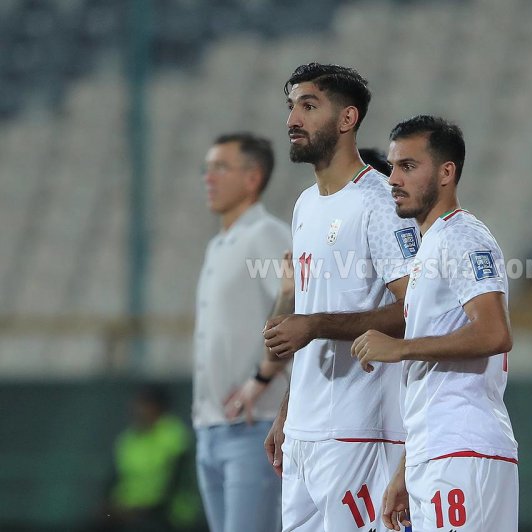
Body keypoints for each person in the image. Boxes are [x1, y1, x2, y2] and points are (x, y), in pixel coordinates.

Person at [262, 63, 419, 531]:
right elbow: (309, 316)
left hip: (359, 428)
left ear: (347, 119)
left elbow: (416, 311)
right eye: (292, 107)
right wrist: (288, 411)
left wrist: (315, 326)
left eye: (309, 106)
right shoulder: (305, 204)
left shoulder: (379, 203)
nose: (293, 119)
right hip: (306, 430)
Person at [353, 115, 519, 531]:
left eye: (408, 167)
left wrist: (401, 348)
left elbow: (495, 332)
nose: (393, 179)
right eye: (392, 167)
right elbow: (430, 381)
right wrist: (405, 470)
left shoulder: (463, 237)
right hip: (436, 449)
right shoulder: (430, 245)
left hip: (464, 448)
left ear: (447, 173)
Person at [194, 132, 293, 532]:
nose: (208, 177)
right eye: (208, 168)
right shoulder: (219, 244)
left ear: (253, 178)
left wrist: (261, 377)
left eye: (220, 167)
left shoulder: (266, 234)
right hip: (211, 426)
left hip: (254, 425)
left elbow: (295, 309)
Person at [100, 385, 199, 532]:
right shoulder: (128, 439)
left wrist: (141, 511)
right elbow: (114, 479)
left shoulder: (175, 436)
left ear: (159, 407)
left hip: (167, 514)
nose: (139, 409)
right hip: (130, 511)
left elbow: (175, 484)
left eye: (145, 404)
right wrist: (110, 507)